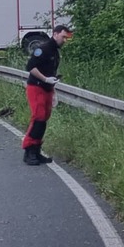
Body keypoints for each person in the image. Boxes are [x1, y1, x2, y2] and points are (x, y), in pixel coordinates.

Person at [23, 24, 73, 165]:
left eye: (66, 38)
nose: (64, 40)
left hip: (47, 88)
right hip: (36, 87)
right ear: (55, 34)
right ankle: (29, 150)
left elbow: (51, 72)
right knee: (38, 118)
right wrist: (45, 79)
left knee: (43, 119)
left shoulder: (55, 52)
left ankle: (37, 151)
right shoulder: (43, 49)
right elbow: (30, 67)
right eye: (63, 37)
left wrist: (53, 91)